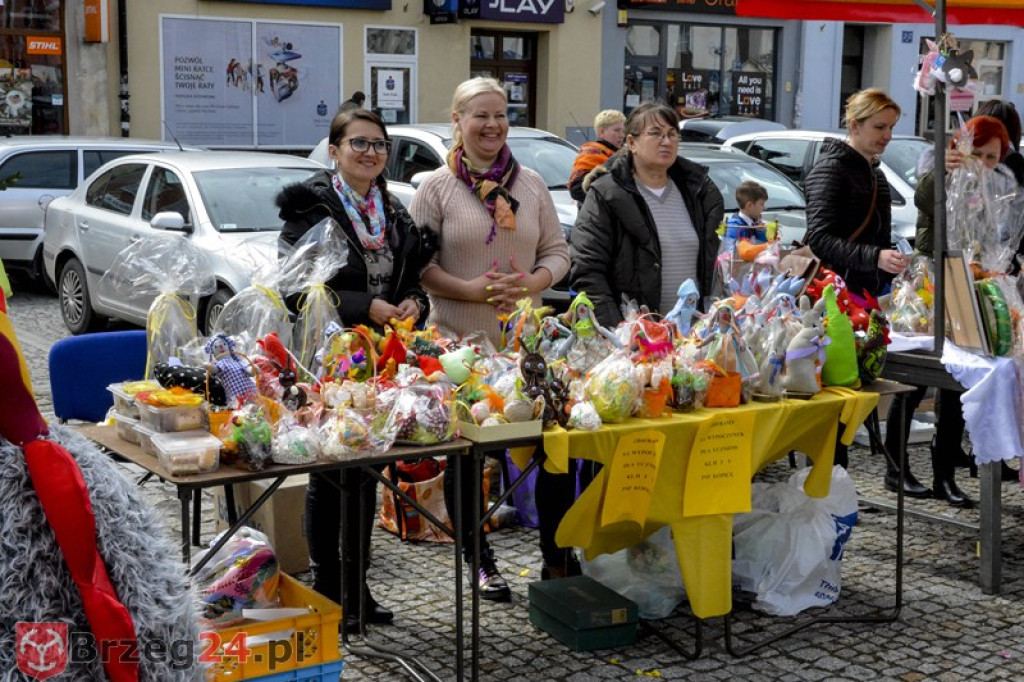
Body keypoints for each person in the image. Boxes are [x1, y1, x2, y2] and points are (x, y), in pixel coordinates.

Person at [410, 77, 571, 600]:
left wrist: (533, 282)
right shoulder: (434, 188)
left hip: (525, 350)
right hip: (460, 348)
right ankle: (480, 559)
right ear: (456, 121)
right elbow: (420, 267)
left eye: (501, 115)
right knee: (470, 459)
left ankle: (557, 555)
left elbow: (558, 254)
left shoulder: (532, 186)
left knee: (553, 448)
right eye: (480, 115)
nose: (493, 125)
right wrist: (469, 290)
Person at [277, 108, 435, 631]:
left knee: (365, 472)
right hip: (326, 359)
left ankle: (357, 586)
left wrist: (413, 303)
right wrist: (361, 305)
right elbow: (292, 287)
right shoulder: (309, 209)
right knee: (330, 473)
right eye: (359, 143)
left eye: (379, 145)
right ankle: (329, 589)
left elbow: (411, 277)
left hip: (379, 362)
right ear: (334, 149)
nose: (370, 153)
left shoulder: (394, 211)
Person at [885, 115, 1015, 506]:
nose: (985, 162)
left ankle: (944, 474)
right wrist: (945, 166)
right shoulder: (938, 170)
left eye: (993, 157)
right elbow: (924, 198)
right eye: (979, 153)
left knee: (959, 381)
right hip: (931, 283)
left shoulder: (998, 184)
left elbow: (995, 233)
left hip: (967, 282)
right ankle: (896, 466)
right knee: (916, 381)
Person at [803, 88, 914, 489]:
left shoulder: (874, 171)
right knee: (836, 398)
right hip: (831, 301)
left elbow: (877, 235)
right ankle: (828, 486)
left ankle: (837, 486)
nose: (887, 135)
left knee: (850, 395)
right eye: (879, 127)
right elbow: (819, 239)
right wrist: (874, 257)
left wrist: (889, 258)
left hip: (862, 298)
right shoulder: (832, 169)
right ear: (854, 125)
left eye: (891, 128)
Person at [571, 100, 724, 328]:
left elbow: (715, 264)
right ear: (631, 142)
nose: (667, 141)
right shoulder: (606, 195)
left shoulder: (698, 192)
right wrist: (619, 333)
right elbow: (587, 270)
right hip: (635, 343)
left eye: (673, 134)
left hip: (693, 340)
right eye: (656, 133)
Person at [568, 109, 626, 204]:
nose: (622, 135)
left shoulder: (622, 153)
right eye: (617, 130)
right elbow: (576, 190)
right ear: (601, 132)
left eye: (623, 131)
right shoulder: (591, 153)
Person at [725, 180, 769, 251]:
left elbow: (765, 244)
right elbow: (731, 253)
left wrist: (760, 231)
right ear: (750, 205)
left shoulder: (756, 223)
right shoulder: (735, 227)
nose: (764, 208)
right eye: (761, 204)